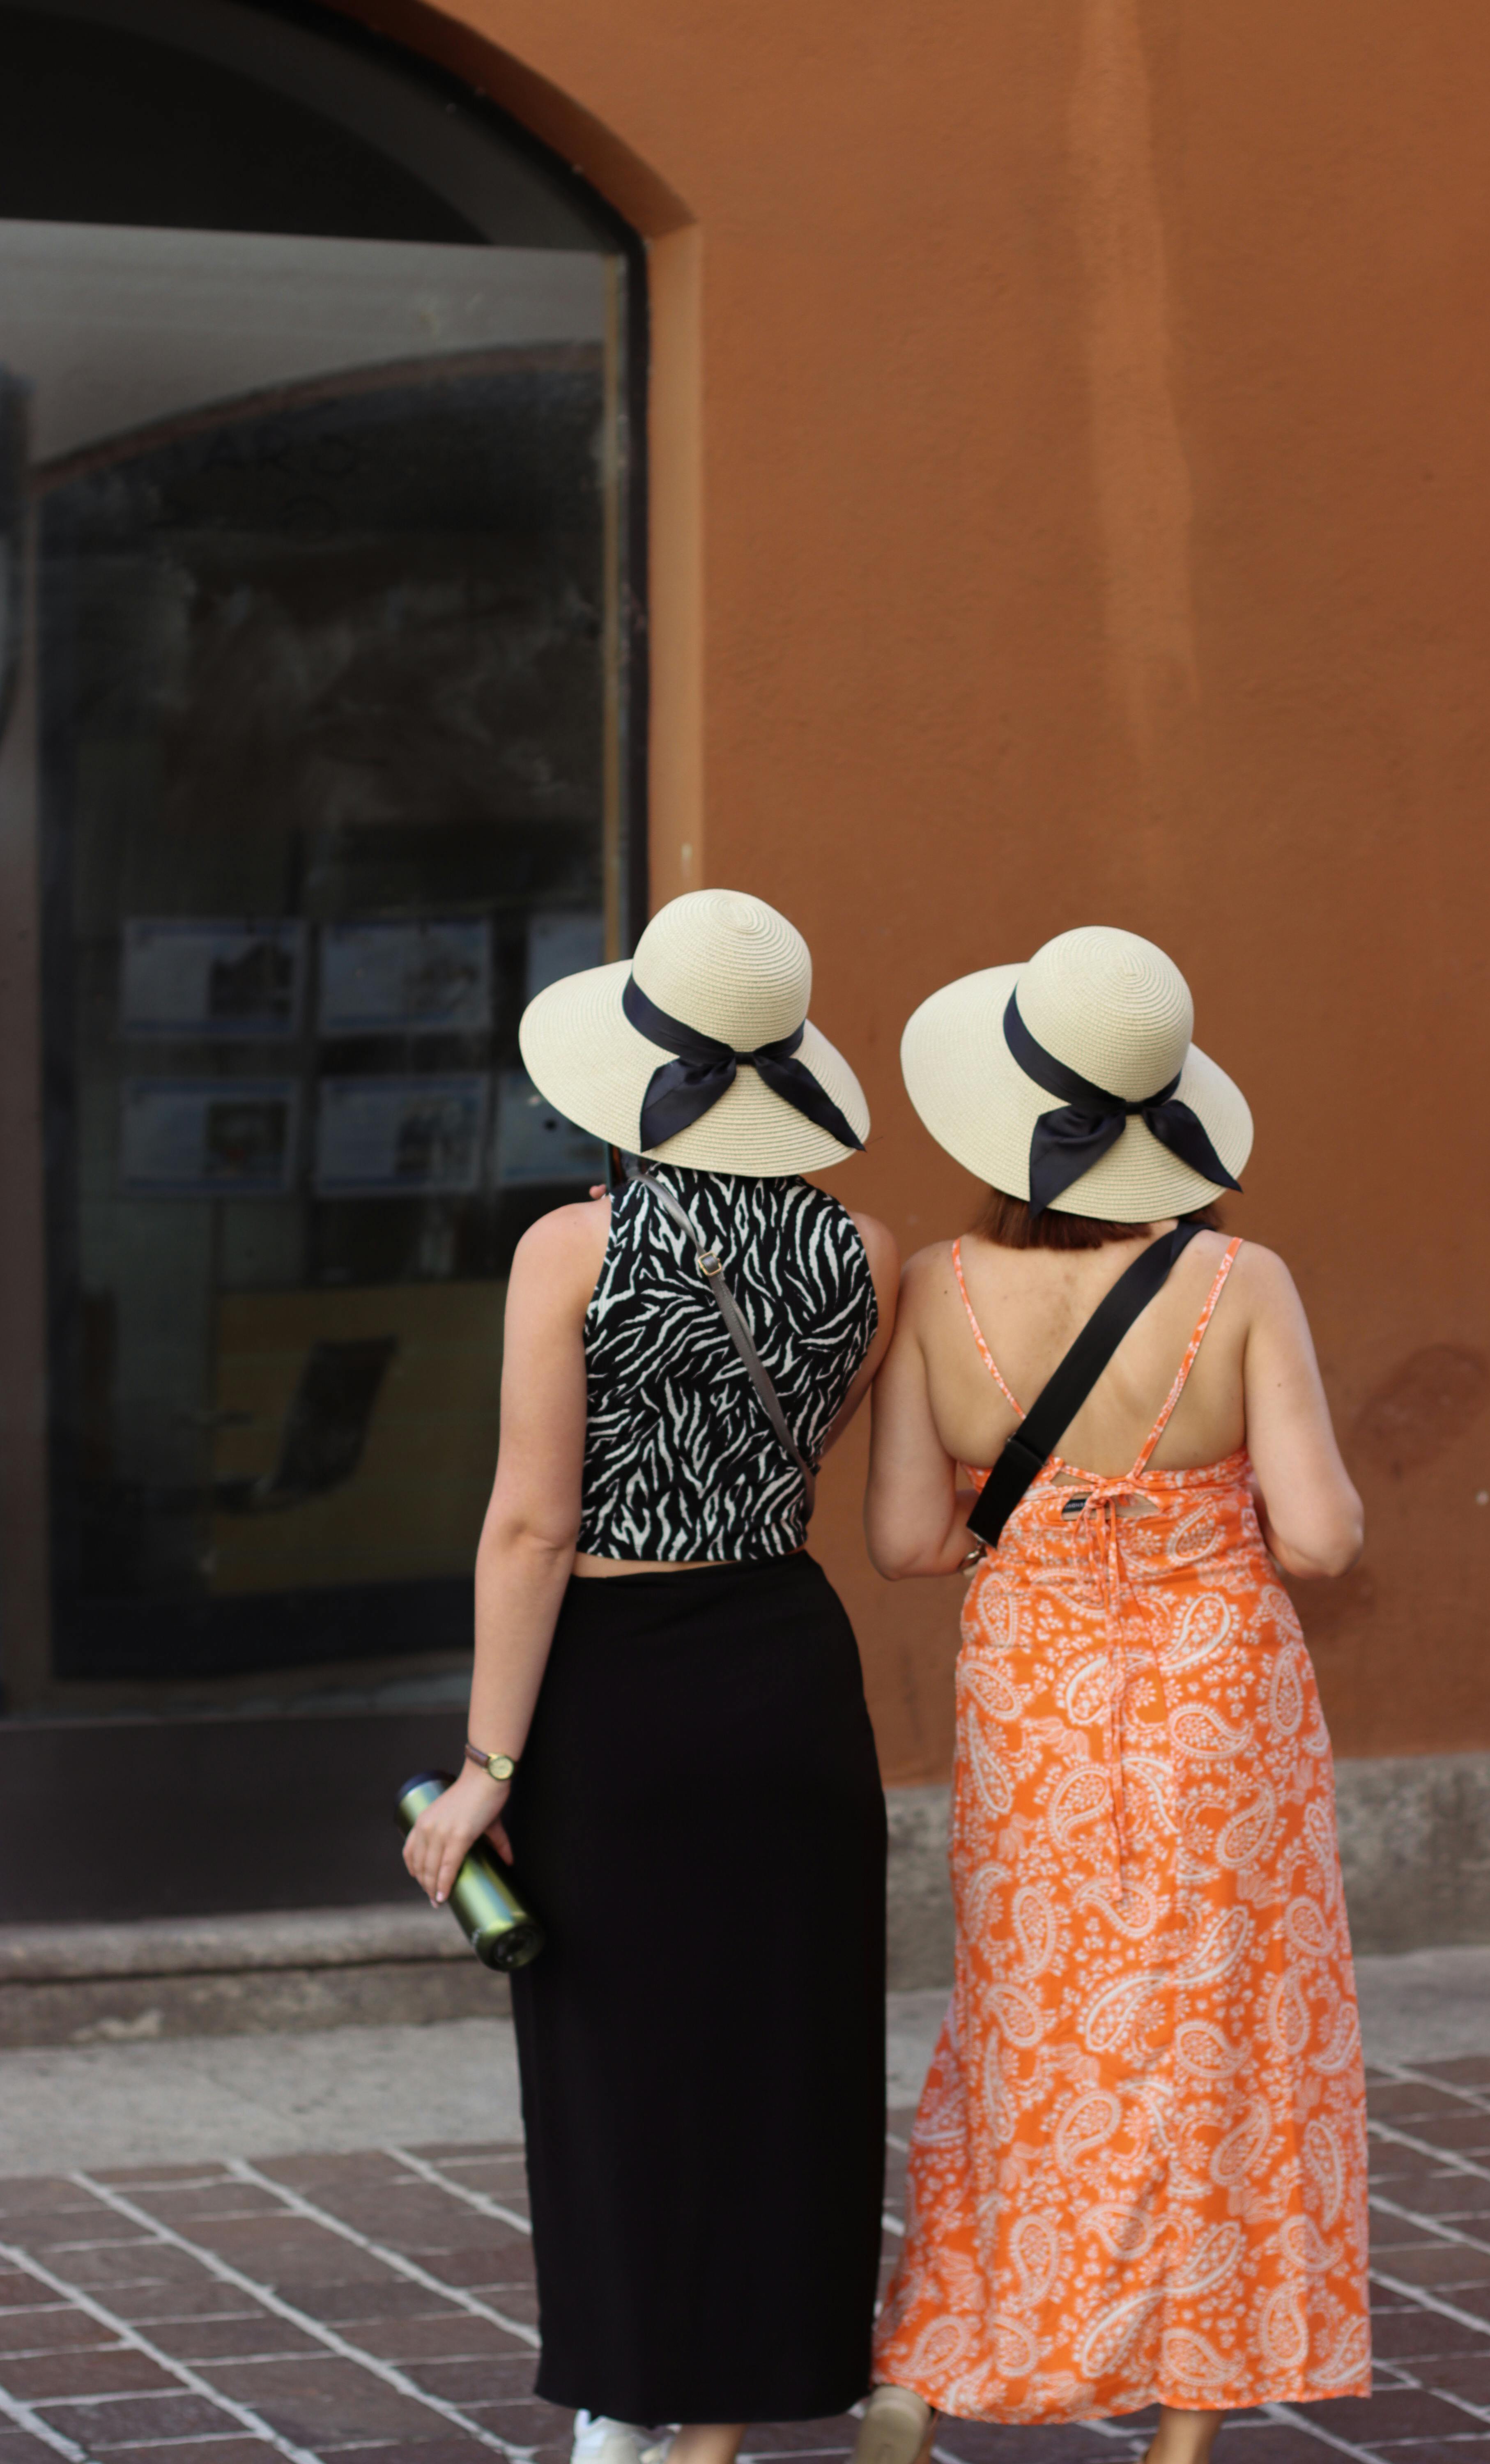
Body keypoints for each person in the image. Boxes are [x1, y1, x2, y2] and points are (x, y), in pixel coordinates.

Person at [855, 926, 1368, 2464]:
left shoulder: (940, 1287)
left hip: (1036, 1699)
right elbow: (1329, 1538)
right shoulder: (1239, 1278)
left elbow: (900, 1542)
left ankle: (934, 2361)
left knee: (1029, 2023)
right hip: (1223, 1694)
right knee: (1223, 2038)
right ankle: (1185, 2428)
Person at [403, 889, 898, 2464]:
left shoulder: (575, 1247)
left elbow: (533, 1526)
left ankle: (629, 2399)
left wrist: (488, 1764)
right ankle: (745, 2398)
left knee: (615, 2056)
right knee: (785, 2052)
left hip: (620, 1690)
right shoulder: (872, 1252)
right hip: (790, 1669)